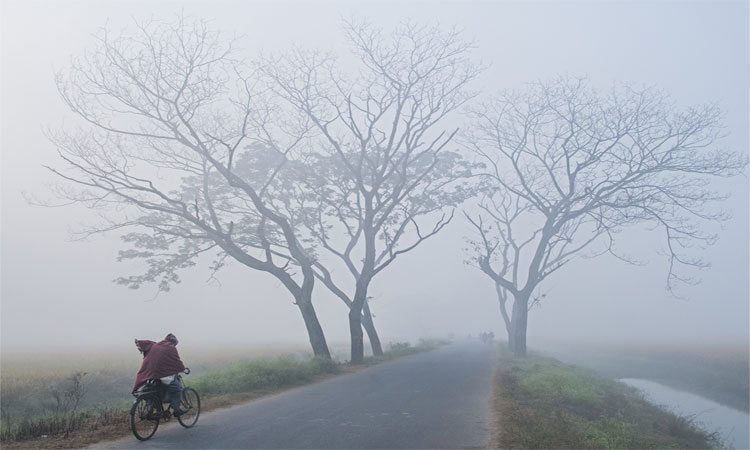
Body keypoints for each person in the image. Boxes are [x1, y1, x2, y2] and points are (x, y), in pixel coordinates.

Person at [132, 333, 190, 416]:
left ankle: (151, 410)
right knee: (177, 388)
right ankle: (177, 410)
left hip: (149, 374)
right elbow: (176, 361)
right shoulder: (171, 347)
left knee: (152, 391)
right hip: (162, 374)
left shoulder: (155, 345)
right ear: (174, 342)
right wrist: (183, 369)